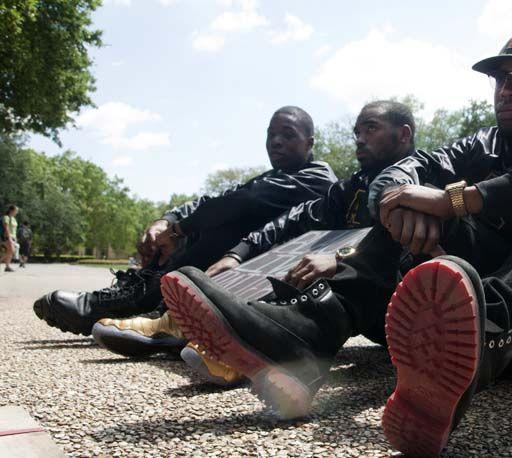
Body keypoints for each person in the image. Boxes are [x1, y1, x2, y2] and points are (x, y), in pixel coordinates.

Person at [160, 29, 512, 457]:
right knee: (414, 206)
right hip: (510, 354)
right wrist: (399, 205)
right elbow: (398, 174)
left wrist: (460, 200)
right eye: (500, 78)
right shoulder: (479, 146)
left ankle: (486, 331)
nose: (507, 90)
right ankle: (304, 339)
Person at [91, 100, 417, 377]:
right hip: (358, 299)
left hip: (401, 311)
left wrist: (342, 256)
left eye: (370, 129)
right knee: (298, 238)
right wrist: (237, 254)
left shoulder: (417, 177)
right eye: (357, 132)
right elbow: (295, 218)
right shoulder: (351, 186)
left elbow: (389, 243)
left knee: (317, 249)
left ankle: (256, 348)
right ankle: (183, 324)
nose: (360, 139)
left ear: (403, 135)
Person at [33, 106, 338, 336]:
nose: (276, 142)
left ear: (310, 142)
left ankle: (146, 299)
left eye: (288, 135)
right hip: (238, 267)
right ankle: (144, 294)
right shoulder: (273, 175)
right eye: (271, 135)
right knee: (204, 219)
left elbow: (245, 200)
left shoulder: (318, 178)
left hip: (276, 279)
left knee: (227, 221)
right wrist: (166, 222)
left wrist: (180, 228)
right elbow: (221, 197)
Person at [1, 205, 19, 272]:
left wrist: (15, 238)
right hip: (7, 237)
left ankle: (7, 267)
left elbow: (14, 229)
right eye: (16, 210)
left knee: (10, 252)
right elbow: (6, 228)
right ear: (11, 210)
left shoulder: (14, 219)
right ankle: (7, 266)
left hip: (13, 237)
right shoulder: (6, 217)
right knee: (11, 251)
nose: (17, 212)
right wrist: (9, 238)